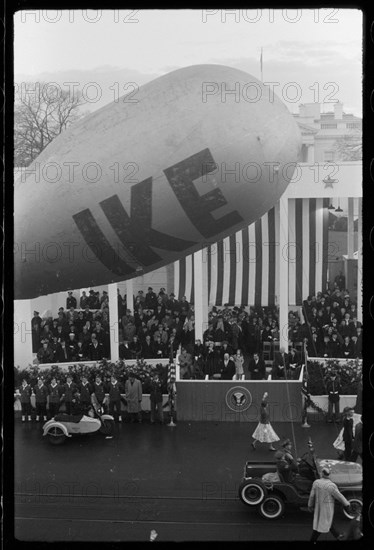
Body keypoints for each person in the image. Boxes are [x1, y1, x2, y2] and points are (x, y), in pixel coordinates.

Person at [308, 465, 350, 541]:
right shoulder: (331, 485)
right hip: (328, 509)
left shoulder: (316, 483)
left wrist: (310, 505)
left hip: (318, 508)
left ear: (322, 474)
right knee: (324, 523)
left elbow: (311, 496)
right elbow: (339, 496)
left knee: (324, 523)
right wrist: (347, 504)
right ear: (329, 475)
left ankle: (337, 536)